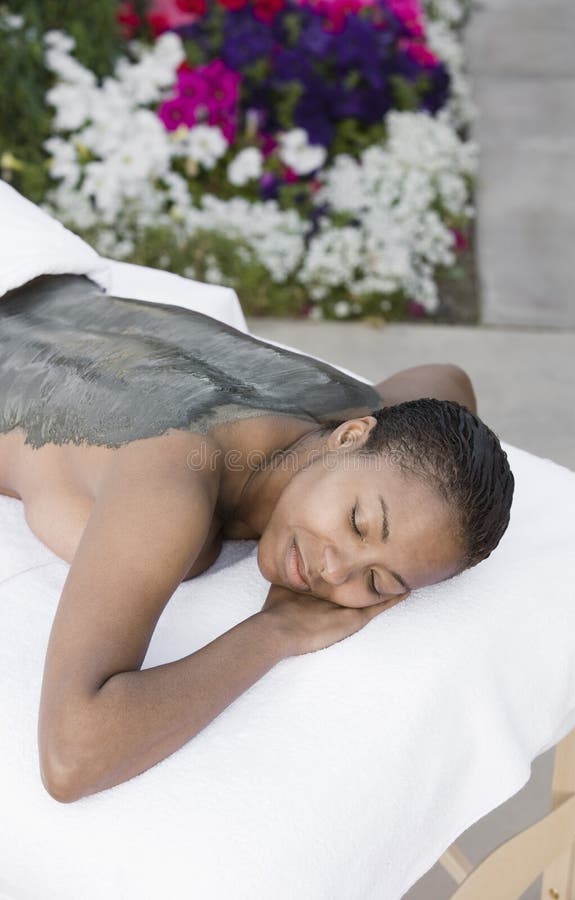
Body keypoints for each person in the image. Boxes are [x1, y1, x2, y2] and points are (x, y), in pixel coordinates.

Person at [0, 273, 514, 803]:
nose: (335, 571)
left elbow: (449, 379)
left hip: (47, 298)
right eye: (357, 523)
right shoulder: (172, 489)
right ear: (350, 436)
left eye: (378, 582)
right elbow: (71, 757)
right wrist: (275, 631)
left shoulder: (358, 412)